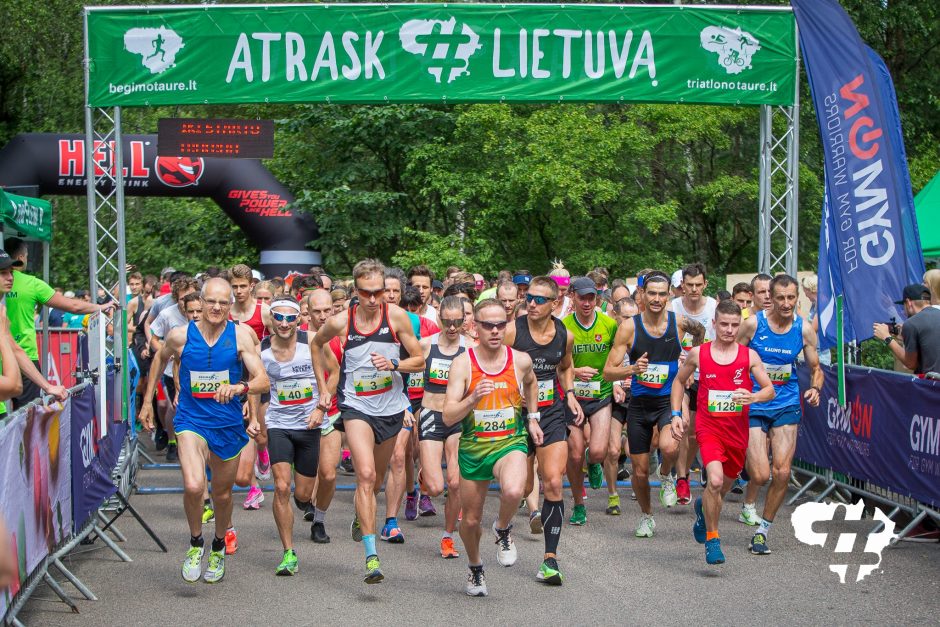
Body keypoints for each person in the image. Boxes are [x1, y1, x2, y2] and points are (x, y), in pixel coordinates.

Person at [138, 278, 269, 584]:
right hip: (190, 420)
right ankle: (196, 542)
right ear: (201, 301)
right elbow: (159, 358)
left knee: (223, 495)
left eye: (224, 302)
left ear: (230, 305)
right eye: (212, 301)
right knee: (195, 486)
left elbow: (262, 379)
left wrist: (241, 387)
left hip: (226, 423)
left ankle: (218, 545)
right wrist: (147, 402)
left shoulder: (241, 337)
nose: (217, 307)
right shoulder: (180, 336)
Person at [310, 259, 424, 584]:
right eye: (366, 293)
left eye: (379, 292)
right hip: (356, 406)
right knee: (366, 474)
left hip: (390, 408)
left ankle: (364, 518)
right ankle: (372, 557)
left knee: (375, 484)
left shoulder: (396, 316)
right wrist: (323, 388)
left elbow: (419, 360)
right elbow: (316, 344)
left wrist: (393, 364)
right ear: (355, 291)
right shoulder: (341, 321)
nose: (374, 299)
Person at [443, 299, 539, 597]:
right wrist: (472, 399)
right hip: (474, 448)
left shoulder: (520, 360)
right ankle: (475, 566)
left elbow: (533, 383)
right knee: (470, 521)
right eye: (488, 325)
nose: (496, 330)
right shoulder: (463, 364)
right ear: (475, 328)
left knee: (513, 490)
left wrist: (533, 417)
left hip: (510, 441)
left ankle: (502, 528)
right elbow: (448, 416)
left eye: (501, 324)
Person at [670, 299, 775, 564]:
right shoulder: (699, 354)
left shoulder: (749, 356)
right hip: (709, 428)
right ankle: (713, 538)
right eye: (724, 324)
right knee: (714, 481)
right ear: (714, 324)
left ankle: (703, 510)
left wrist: (753, 397)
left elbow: (769, 389)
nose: (729, 330)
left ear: (740, 326)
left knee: (723, 487)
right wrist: (676, 414)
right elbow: (679, 381)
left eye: (734, 325)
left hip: (737, 433)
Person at [602, 271, 704, 538]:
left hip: (667, 400)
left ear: (669, 294)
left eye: (662, 293)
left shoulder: (680, 323)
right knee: (639, 470)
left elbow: (701, 332)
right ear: (642, 296)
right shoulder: (629, 327)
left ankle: (668, 475)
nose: (657, 299)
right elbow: (607, 372)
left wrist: (691, 362)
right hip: (639, 405)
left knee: (670, 445)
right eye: (652, 293)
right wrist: (632, 370)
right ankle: (647, 516)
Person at [736, 274, 822, 555]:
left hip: (785, 403)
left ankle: (762, 531)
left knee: (782, 472)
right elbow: (732, 356)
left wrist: (816, 388)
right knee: (760, 475)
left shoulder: (804, 329)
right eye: (780, 298)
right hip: (754, 403)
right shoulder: (753, 324)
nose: (786, 303)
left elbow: (816, 368)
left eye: (791, 298)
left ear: (798, 299)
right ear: (769, 298)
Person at [504, 277, 582, 584]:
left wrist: (571, 393)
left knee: (552, 481)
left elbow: (565, 366)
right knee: (521, 485)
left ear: (555, 303)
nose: (532, 304)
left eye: (539, 299)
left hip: (550, 412)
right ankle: (504, 529)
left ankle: (550, 559)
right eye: (529, 298)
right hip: (514, 414)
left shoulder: (565, 334)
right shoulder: (513, 330)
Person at [261, 297, 334, 576]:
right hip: (278, 423)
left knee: (302, 495)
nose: (284, 323)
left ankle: (306, 504)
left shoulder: (313, 341)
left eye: (290, 318)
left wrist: (321, 403)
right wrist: (255, 418)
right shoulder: (261, 350)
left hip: (310, 425)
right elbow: (257, 385)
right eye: (278, 317)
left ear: (298, 320)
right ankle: (288, 552)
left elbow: (335, 372)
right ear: (271, 318)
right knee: (281, 487)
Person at [3, 238, 107, 408]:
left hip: (22, 358)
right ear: (22, 257)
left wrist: (48, 386)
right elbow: (72, 305)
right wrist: (100, 306)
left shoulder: (3, 312)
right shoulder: (31, 284)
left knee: (24, 418)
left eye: (11, 272)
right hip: (23, 358)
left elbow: (15, 350)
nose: (10, 278)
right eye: (3, 273)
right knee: (24, 418)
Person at [416, 296, 470, 559]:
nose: (452, 327)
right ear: (439, 319)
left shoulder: (470, 347)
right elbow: (407, 379)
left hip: (459, 418)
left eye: (457, 321)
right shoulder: (426, 346)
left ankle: (448, 537)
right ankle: (425, 475)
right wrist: (407, 409)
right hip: (431, 415)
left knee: (456, 482)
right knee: (436, 488)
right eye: (447, 321)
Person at [563, 276, 618, 526]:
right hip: (572, 396)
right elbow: (556, 365)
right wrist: (574, 372)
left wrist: (617, 382)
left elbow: (618, 358)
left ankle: (593, 461)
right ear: (572, 296)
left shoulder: (609, 324)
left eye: (591, 298)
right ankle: (578, 505)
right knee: (574, 456)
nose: (587, 302)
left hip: (600, 394)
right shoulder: (563, 327)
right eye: (582, 297)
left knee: (597, 451)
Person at [670, 263, 718, 506]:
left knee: (696, 434)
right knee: (685, 425)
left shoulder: (713, 307)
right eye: (689, 285)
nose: (694, 289)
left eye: (699, 285)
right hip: (681, 375)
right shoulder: (674, 307)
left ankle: (686, 471)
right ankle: (681, 478)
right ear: (682, 285)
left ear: (705, 284)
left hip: (705, 376)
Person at [306, 288, 344, 543]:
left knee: (329, 473)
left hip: (331, 411)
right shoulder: (298, 337)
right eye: (316, 311)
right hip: (296, 414)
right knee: (304, 478)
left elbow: (338, 372)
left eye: (326, 311)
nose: (322, 316)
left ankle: (319, 521)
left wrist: (323, 402)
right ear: (306, 312)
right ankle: (304, 498)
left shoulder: (341, 336)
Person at [150, 277, 199, 462]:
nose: (187, 301)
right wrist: (164, 350)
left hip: (198, 372)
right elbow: (154, 338)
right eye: (182, 299)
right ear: (175, 298)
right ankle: (174, 442)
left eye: (192, 296)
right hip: (172, 371)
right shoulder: (167, 314)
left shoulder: (206, 313)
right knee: (175, 407)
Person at [874, 280, 940, 375]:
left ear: (909, 303)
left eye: (903, 305)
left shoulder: (912, 323)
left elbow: (910, 364)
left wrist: (887, 337)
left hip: (932, 385)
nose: (904, 312)